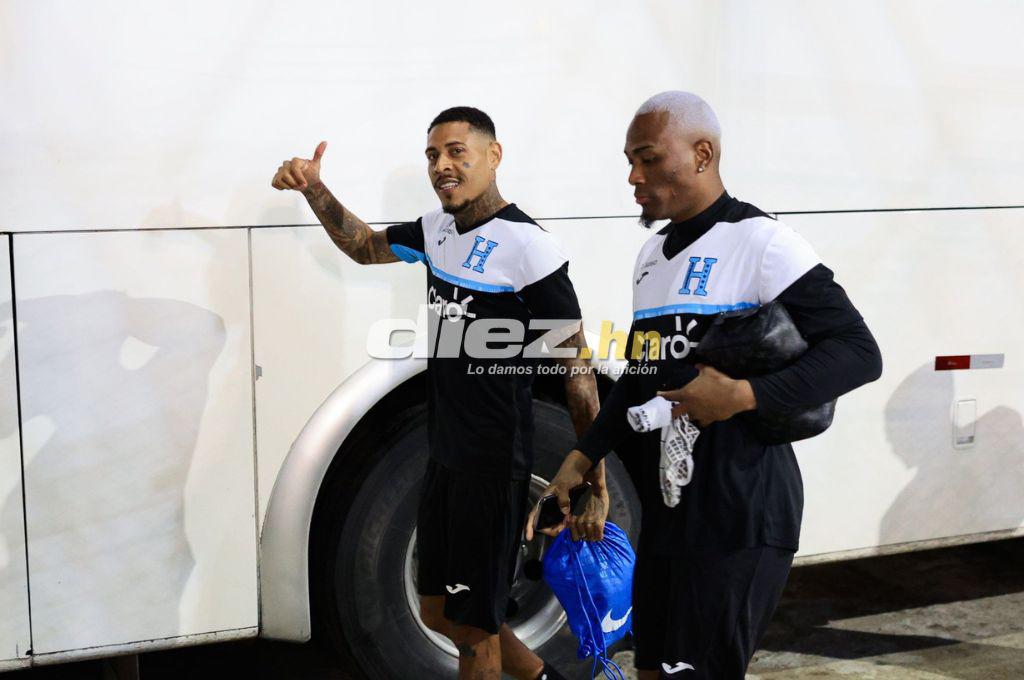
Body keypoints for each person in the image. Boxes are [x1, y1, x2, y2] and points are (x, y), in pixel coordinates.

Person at [531, 91, 883, 679]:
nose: (633, 176)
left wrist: (745, 397)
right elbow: (642, 374)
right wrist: (581, 456)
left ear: (702, 153)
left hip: (743, 511)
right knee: (652, 671)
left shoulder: (763, 243)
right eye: (629, 161)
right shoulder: (650, 256)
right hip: (672, 515)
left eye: (647, 158)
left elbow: (858, 353)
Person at [272, 106, 608, 680]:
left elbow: (578, 371)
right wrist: (315, 190)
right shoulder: (436, 230)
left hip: (492, 464)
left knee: (475, 634)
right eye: (433, 155)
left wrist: (593, 483)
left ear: (493, 156)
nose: (442, 165)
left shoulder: (529, 249)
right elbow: (363, 246)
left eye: (457, 151)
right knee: (438, 611)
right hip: (445, 457)